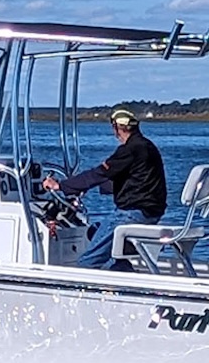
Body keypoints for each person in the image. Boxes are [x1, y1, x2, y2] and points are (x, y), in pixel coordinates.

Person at [42, 108, 167, 269]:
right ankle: (123, 270)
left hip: (131, 214)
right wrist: (81, 186)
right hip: (150, 214)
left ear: (117, 128)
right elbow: (134, 179)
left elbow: (99, 173)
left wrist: (60, 185)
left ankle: (89, 281)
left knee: (87, 263)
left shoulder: (130, 149)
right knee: (93, 231)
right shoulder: (148, 146)